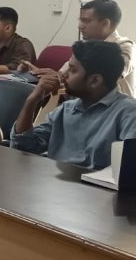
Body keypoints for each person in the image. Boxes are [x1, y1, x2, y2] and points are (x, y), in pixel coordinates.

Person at [11, 41, 136, 169]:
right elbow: (23, 147)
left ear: (95, 80)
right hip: (53, 179)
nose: (64, 75)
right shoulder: (65, 110)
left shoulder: (129, 114)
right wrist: (32, 100)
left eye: (73, 70)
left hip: (94, 182)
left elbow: (129, 169)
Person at [23, 0, 134, 98]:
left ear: (105, 23)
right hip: (84, 105)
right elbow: (63, 75)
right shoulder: (86, 46)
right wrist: (35, 73)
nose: (80, 26)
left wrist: (61, 78)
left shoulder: (125, 48)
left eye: (86, 21)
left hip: (115, 111)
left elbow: (103, 79)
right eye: (81, 20)